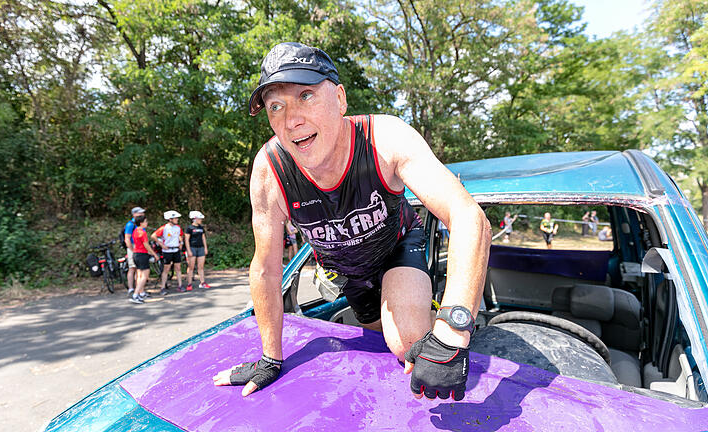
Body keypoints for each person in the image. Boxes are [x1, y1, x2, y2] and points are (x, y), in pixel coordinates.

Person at [212, 42, 491, 401]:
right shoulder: (269, 170)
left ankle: (436, 309)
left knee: (407, 344)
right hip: (344, 271)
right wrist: (270, 357)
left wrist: (454, 329)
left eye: (306, 95)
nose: (291, 118)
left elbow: (469, 216)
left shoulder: (386, 138)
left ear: (340, 99)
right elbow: (265, 268)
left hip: (396, 247)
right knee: (381, 344)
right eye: (275, 106)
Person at [152, 210, 184, 295]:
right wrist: (161, 244)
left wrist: (181, 243)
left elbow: (180, 235)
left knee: (178, 268)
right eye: (175, 218)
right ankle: (162, 287)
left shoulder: (178, 227)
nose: (177, 219)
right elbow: (153, 236)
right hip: (167, 251)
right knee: (166, 269)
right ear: (170, 219)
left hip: (176, 250)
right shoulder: (164, 228)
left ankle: (180, 285)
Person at [130, 214, 158, 304]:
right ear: (141, 223)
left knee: (140, 275)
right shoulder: (143, 232)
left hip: (135, 254)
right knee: (145, 276)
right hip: (142, 255)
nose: (147, 223)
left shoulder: (135, 231)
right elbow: (146, 245)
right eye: (145, 221)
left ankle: (140, 293)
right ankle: (135, 294)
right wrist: (154, 254)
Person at [185, 210, 211, 290]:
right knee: (191, 267)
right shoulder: (189, 228)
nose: (201, 220)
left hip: (201, 248)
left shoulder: (201, 228)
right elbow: (186, 240)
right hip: (192, 248)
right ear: (195, 219)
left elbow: (203, 238)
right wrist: (188, 250)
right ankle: (189, 284)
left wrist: (205, 248)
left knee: (201, 266)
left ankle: (202, 282)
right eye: (199, 218)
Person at [123, 207, 146, 295]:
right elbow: (127, 239)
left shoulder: (141, 223)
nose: (142, 214)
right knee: (132, 267)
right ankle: (131, 288)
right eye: (140, 213)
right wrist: (132, 250)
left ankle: (139, 289)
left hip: (140, 246)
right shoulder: (130, 224)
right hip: (133, 246)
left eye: (142, 213)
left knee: (139, 269)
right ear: (134, 214)